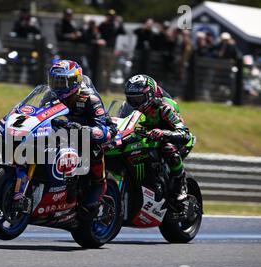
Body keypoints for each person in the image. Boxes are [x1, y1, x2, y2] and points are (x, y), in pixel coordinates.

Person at [47, 60, 116, 217]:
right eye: (54, 81)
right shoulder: (50, 96)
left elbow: (103, 129)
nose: (57, 86)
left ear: (74, 82)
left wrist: (84, 129)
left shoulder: (89, 99)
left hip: (95, 132)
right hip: (65, 133)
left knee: (92, 147)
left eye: (61, 81)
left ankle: (98, 185)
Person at [124, 74, 194, 204]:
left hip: (172, 137)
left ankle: (180, 184)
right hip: (148, 138)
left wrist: (163, 133)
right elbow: (122, 124)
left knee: (168, 149)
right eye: (131, 99)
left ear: (149, 95)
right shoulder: (128, 108)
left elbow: (185, 133)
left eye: (138, 99)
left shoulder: (164, 108)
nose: (135, 103)